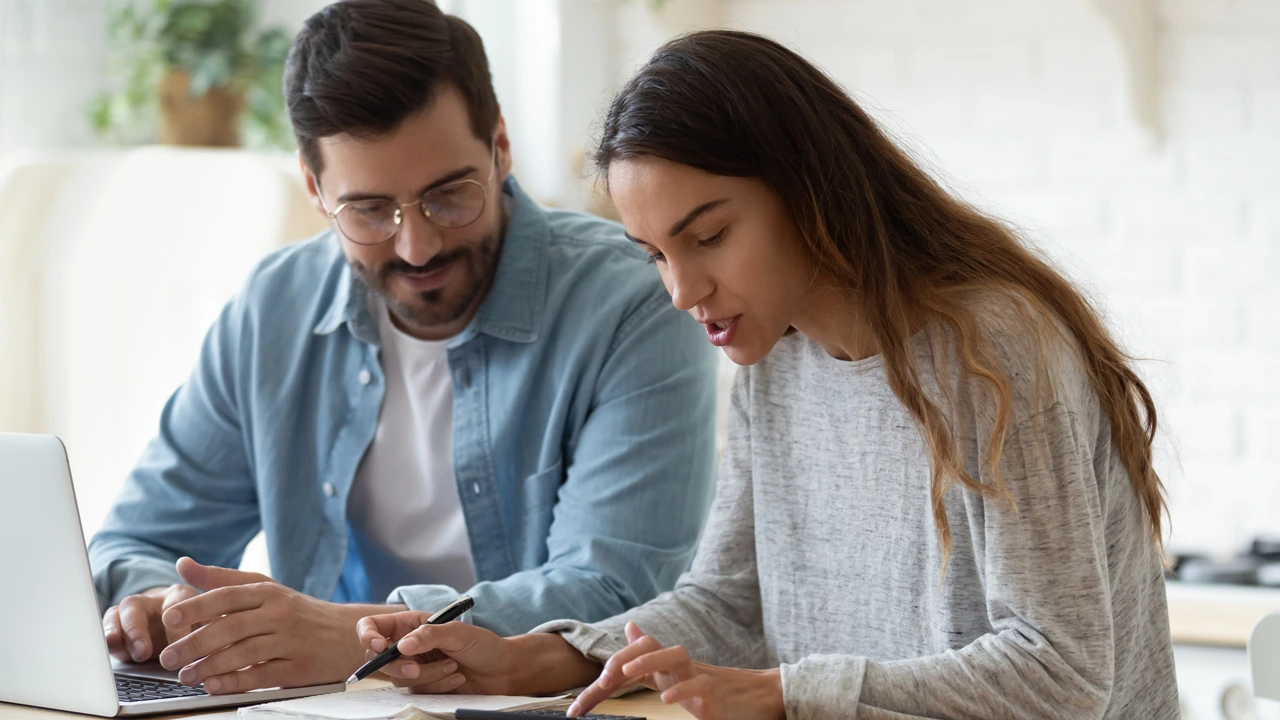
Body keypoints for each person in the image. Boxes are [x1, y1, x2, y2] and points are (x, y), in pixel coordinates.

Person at [353, 29, 1180, 720]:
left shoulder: (990, 348)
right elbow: (728, 605)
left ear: (806, 188)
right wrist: (530, 658)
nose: (683, 292)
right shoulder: (774, 360)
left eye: (707, 236)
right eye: (657, 256)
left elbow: (1062, 673)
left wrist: (786, 694)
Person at [88, 0, 718, 695]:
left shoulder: (632, 301)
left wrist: (356, 633)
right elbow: (133, 543)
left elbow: (616, 588)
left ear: (500, 146)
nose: (417, 245)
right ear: (314, 186)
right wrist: (161, 607)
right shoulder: (274, 308)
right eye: (368, 211)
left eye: (449, 195)